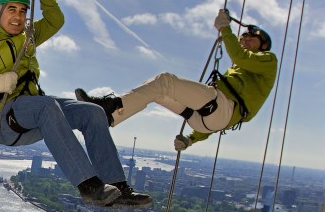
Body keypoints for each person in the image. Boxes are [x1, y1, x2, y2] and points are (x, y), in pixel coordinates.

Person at [0, 0, 150, 208]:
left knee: (92, 112)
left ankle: (117, 187)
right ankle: (89, 185)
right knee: (47, 106)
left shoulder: (27, 37)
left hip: (35, 114)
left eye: (23, 11)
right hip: (4, 118)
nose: (18, 16)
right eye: (11, 9)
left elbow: (55, 20)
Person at [74, 9, 277, 152]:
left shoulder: (268, 61)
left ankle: (108, 105)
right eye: (243, 38)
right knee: (159, 91)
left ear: (263, 45)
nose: (245, 39)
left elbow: (240, 57)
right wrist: (190, 140)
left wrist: (225, 29)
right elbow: (218, 121)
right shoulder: (242, 69)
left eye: (251, 38)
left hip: (218, 110)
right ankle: (109, 117)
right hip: (206, 119)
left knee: (166, 81)